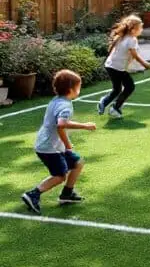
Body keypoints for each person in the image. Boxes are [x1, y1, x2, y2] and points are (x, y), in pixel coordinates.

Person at [21, 69, 96, 214]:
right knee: (60, 176)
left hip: (50, 145)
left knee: (77, 162)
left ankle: (67, 194)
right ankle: (33, 194)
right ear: (71, 89)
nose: (79, 89)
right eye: (79, 86)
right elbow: (61, 124)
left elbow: (60, 124)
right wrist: (84, 126)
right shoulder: (65, 106)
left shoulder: (57, 101)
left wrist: (66, 144)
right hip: (49, 148)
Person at [98, 14, 150, 118]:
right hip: (117, 68)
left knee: (117, 89)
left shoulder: (122, 36)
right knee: (129, 87)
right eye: (140, 27)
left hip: (111, 66)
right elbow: (135, 56)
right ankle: (115, 108)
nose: (141, 29)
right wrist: (145, 64)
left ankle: (105, 102)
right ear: (133, 30)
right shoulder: (131, 39)